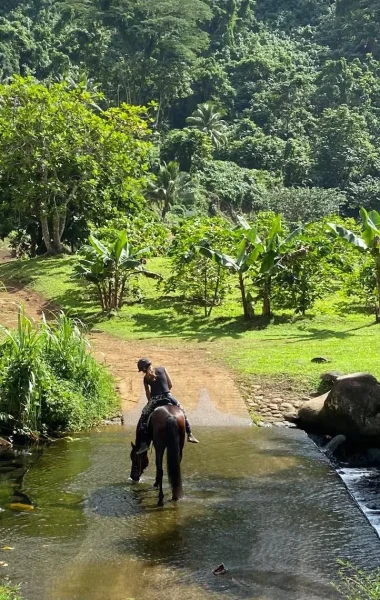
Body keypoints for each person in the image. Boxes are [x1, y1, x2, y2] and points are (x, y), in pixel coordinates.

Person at [135, 358, 199, 454]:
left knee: (144, 416)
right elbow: (170, 385)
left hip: (155, 399)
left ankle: (145, 443)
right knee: (182, 411)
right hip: (168, 396)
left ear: (143, 369)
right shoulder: (163, 369)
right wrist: (165, 392)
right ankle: (189, 434)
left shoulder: (146, 378)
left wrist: (151, 401)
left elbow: (148, 393)